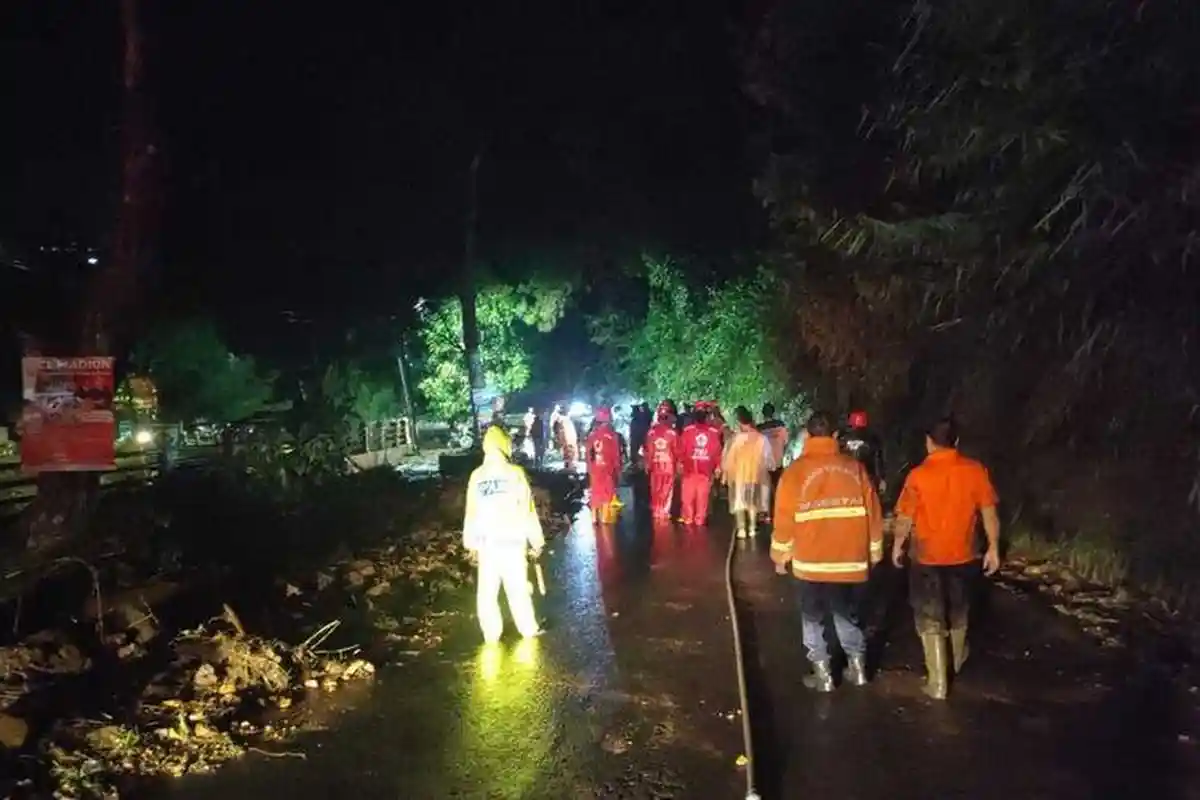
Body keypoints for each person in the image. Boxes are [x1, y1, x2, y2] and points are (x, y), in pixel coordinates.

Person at [770, 411, 884, 691]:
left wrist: (780, 554)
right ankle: (857, 668)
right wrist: (874, 550)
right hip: (848, 558)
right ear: (835, 436)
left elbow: (784, 518)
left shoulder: (795, 472)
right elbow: (873, 512)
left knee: (811, 615)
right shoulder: (855, 468)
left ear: (808, 436)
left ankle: (823, 675)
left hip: (810, 560)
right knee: (846, 613)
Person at [892, 417, 1000, 700]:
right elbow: (988, 511)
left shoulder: (917, 476)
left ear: (929, 442)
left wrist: (898, 546)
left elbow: (905, 517)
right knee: (959, 612)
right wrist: (993, 547)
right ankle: (953, 667)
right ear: (957, 442)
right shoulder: (975, 471)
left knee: (930, 616)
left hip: (927, 557)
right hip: (964, 555)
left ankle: (938, 682)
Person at [462, 425, 544, 644]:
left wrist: (471, 544)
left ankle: (491, 635)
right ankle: (528, 629)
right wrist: (536, 541)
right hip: (512, 542)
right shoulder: (514, 474)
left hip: (488, 544)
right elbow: (527, 510)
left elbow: (471, 512)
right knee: (518, 589)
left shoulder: (476, 476)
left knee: (487, 593)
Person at [721, 406, 776, 539]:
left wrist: (725, 474)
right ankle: (752, 528)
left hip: (738, 476)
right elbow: (768, 458)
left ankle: (741, 529)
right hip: (755, 475)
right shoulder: (761, 438)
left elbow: (727, 458)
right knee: (753, 502)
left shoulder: (734, 440)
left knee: (739, 502)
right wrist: (770, 467)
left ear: (739, 423)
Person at [678, 404, 722, 525]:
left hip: (704, 472)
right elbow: (682, 449)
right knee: (687, 499)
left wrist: (718, 466)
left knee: (702, 500)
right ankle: (689, 520)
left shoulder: (713, 432)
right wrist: (680, 463)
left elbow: (717, 451)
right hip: (690, 471)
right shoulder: (688, 431)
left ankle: (698, 522)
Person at [585, 406, 622, 524]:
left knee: (595, 491)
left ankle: (594, 518)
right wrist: (618, 468)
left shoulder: (591, 435)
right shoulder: (612, 435)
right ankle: (605, 518)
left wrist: (589, 467)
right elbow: (615, 454)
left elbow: (588, 453)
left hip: (595, 467)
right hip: (607, 467)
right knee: (606, 492)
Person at [644, 401, 680, 520]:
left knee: (656, 489)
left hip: (655, 465)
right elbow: (677, 451)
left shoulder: (651, 433)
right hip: (669, 466)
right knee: (667, 489)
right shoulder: (673, 433)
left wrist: (647, 465)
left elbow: (649, 451)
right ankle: (664, 512)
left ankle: (657, 511)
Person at [840, 409, 886, 494]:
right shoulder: (872, 439)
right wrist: (881, 478)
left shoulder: (842, 440)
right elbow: (878, 461)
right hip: (868, 479)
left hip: (847, 478)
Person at [757, 403, 789, 523]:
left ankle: (766, 514)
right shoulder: (781, 426)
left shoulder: (760, 429)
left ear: (763, 414)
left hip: (764, 464)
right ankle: (778, 513)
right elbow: (786, 442)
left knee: (765, 490)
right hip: (778, 461)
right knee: (778, 489)